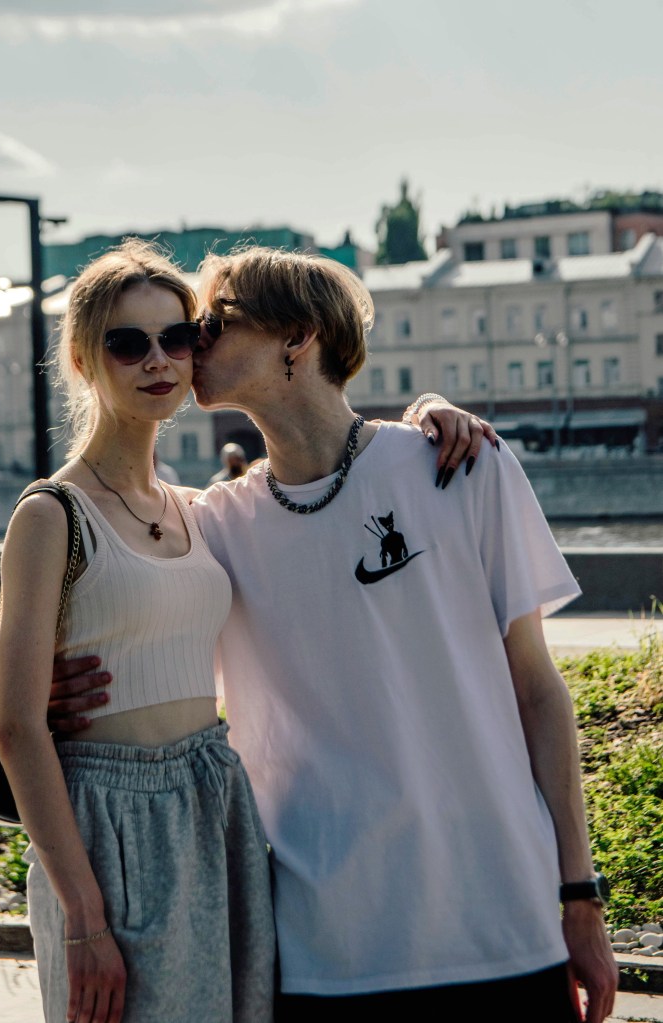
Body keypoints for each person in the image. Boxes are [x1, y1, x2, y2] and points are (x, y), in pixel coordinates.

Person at [50, 246, 618, 1023]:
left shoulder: (460, 465)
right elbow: (118, 609)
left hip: (502, 920)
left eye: (212, 324)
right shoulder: (209, 527)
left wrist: (578, 896)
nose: (190, 345)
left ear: (298, 337)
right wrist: (47, 690)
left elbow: (539, 693)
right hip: (323, 948)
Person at [0, 240, 275, 1023]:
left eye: (176, 337)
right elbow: (16, 727)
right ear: (85, 360)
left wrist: (429, 416)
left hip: (213, 802)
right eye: (127, 343)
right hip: (107, 822)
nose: (157, 360)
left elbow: (325, 467)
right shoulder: (51, 514)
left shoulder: (199, 507)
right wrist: (83, 917)